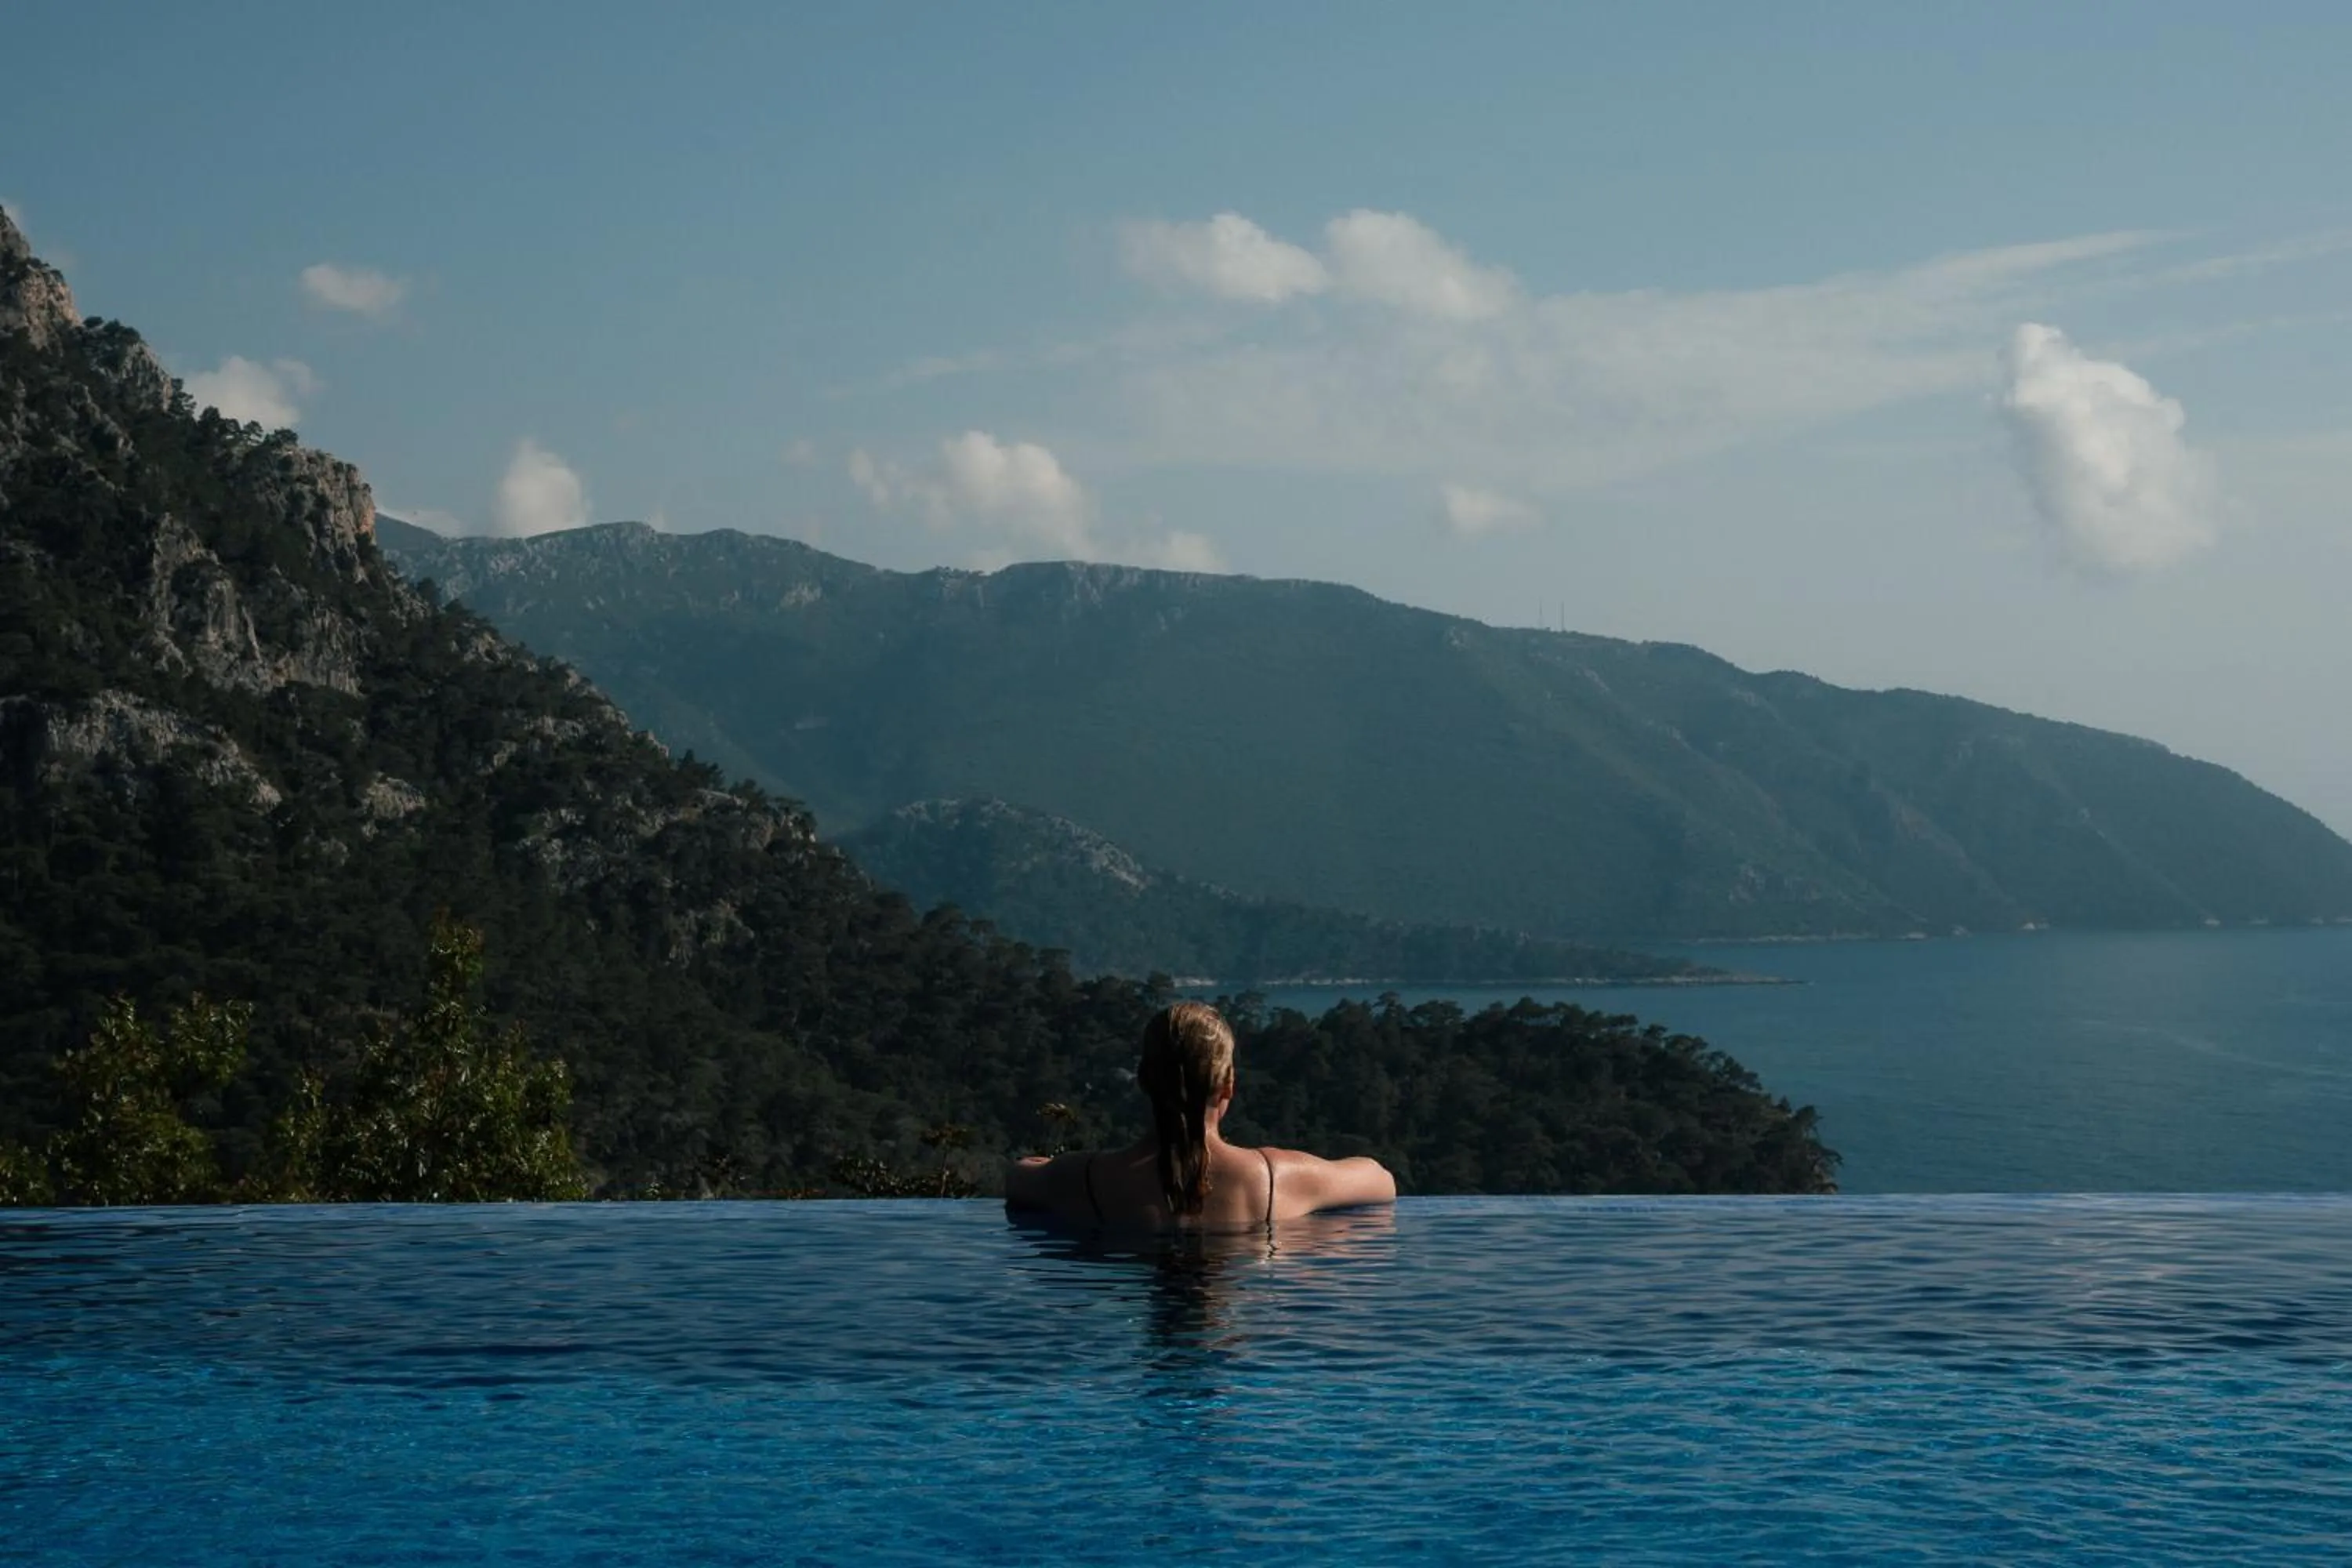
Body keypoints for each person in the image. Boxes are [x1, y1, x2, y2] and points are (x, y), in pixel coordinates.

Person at [1004, 1000, 1397, 1229]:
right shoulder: (1274, 1177)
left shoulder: (1085, 1178)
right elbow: (1381, 1180)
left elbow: (1020, 1175)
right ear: (1228, 1085)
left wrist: (1058, 1166)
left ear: (1143, 1080)